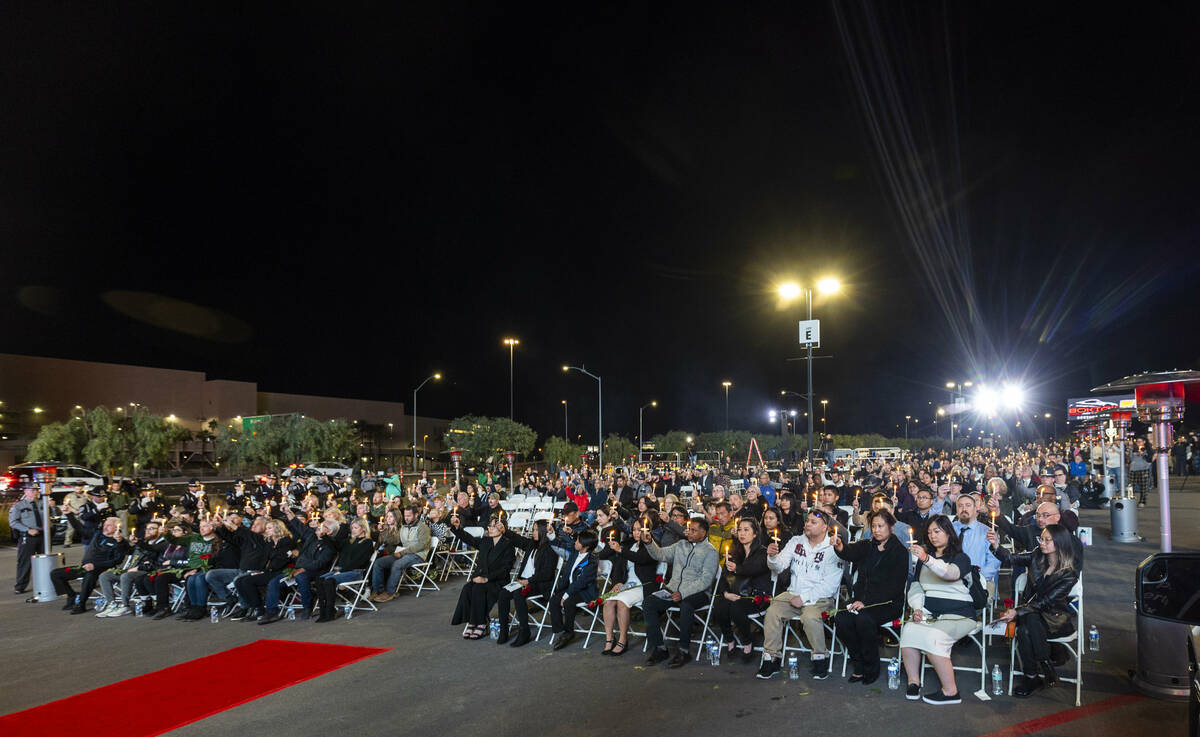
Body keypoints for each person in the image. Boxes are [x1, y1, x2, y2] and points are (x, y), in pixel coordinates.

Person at [987, 524, 1080, 697]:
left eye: (1047, 540)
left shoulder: (1069, 574)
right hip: (1030, 613)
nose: (1042, 543)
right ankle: (1046, 666)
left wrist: (1016, 611)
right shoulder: (1038, 555)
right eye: (1041, 539)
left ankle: (1032, 676)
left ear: (1059, 543)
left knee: (1025, 628)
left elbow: (1046, 602)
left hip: (1053, 618)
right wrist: (996, 546)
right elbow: (1011, 559)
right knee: (1029, 621)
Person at [898, 515, 977, 705]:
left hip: (960, 614)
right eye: (930, 532)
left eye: (937, 531)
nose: (932, 536)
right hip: (931, 612)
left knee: (933, 637)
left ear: (949, 533)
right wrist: (917, 608)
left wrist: (926, 559)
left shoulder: (961, 558)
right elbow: (916, 586)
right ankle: (913, 682)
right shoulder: (925, 560)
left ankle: (951, 692)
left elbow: (950, 574)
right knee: (908, 632)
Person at [756, 509, 844, 680]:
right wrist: (772, 557)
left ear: (825, 527)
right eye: (807, 521)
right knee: (772, 612)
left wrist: (803, 598)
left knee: (810, 616)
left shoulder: (833, 547)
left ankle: (820, 657)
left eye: (813, 522)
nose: (807, 524)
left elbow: (830, 586)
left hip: (820, 598)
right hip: (793, 593)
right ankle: (771, 658)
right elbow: (779, 566)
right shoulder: (796, 541)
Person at [831, 509, 907, 684]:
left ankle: (871, 667)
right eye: (874, 526)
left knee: (863, 620)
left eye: (881, 526)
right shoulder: (868, 545)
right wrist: (840, 546)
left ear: (891, 527)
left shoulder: (900, 552)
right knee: (841, 618)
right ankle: (858, 663)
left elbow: (895, 587)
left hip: (887, 602)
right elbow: (849, 551)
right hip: (861, 600)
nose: (877, 530)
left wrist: (866, 602)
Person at [643, 517, 719, 668]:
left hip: (699, 593)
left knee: (686, 605)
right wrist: (649, 542)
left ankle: (684, 650)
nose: (689, 532)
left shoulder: (710, 551)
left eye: (693, 530)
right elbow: (661, 555)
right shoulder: (681, 545)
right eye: (689, 529)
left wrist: (683, 593)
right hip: (674, 589)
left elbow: (705, 581)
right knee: (648, 603)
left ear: (703, 533)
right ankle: (660, 648)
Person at [258, 509, 337, 623]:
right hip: (297, 568)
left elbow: (319, 563)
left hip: (315, 571)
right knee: (274, 581)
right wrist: (288, 512)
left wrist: (303, 568)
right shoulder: (311, 536)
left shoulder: (329, 545)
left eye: (323, 526)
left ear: (329, 532)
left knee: (301, 577)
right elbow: (299, 526)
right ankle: (271, 612)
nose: (319, 526)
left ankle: (307, 606)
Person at [713, 517, 772, 662]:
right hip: (734, 593)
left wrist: (737, 569)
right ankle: (729, 639)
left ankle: (747, 641)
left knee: (735, 608)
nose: (742, 533)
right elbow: (724, 576)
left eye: (746, 530)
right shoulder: (734, 551)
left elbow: (755, 569)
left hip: (755, 596)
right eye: (739, 530)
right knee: (720, 606)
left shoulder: (762, 552)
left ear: (755, 533)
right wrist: (726, 593)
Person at [600, 517, 662, 656]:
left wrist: (621, 550)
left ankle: (623, 640)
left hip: (642, 585)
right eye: (633, 530)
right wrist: (616, 582)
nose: (635, 533)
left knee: (622, 602)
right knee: (608, 601)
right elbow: (618, 567)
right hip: (627, 584)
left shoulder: (652, 545)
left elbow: (641, 559)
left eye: (639, 530)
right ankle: (609, 639)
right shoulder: (630, 545)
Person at [449, 514, 517, 639]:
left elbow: (505, 570)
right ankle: (472, 621)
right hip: (482, 577)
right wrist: (458, 528)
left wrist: (486, 579)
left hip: (498, 581)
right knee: (467, 588)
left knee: (478, 589)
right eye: (489, 526)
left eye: (494, 527)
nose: (490, 529)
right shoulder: (486, 541)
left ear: (502, 528)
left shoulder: (508, 545)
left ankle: (480, 623)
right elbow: (469, 539)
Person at [499, 520, 559, 647]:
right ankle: (504, 628)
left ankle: (524, 630)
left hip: (537, 583)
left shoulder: (550, 549)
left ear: (543, 531)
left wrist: (528, 580)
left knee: (518, 593)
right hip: (523, 581)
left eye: (536, 529)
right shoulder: (532, 544)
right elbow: (518, 540)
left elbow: (547, 574)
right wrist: (505, 531)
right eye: (533, 529)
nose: (533, 532)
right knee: (503, 593)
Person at [50, 517, 129, 614]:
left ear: (117, 527)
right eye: (105, 525)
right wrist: (69, 514)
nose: (105, 527)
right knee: (56, 574)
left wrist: (95, 566)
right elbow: (80, 528)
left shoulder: (120, 541)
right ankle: (71, 596)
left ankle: (81, 604)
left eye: (109, 525)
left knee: (90, 576)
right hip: (83, 567)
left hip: (102, 569)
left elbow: (117, 560)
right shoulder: (97, 534)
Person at [96, 519, 168, 617]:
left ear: (160, 530)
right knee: (105, 576)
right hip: (131, 569)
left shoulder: (162, 544)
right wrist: (120, 541)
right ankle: (112, 605)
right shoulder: (143, 541)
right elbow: (128, 551)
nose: (147, 531)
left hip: (147, 571)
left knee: (126, 576)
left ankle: (125, 606)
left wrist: (139, 568)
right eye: (147, 528)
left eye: (152, 529)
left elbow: (158, 563)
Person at [545, 528, 600, 651]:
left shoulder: (592, 561)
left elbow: (582, 582)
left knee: (569, 602)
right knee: (554, 600)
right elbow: (564, 544)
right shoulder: (575, 553)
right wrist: (552, 535)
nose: (575, 542)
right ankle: (560, 631)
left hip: (584, 591)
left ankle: (569, 631)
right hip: (570, 588)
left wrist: (566, 595)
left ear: (585, 546)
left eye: (578, 541)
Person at [232, 519, 296, 621]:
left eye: (270, 528)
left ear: (278, 529)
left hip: (282, 571)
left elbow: (281, 561)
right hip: (270, 571)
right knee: (240, 581)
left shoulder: (287, 541)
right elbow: (265, 560)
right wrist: (261, 570)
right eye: (266, 528)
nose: (267, 530)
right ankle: (256, 607)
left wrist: (266, 570)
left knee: (248, 581)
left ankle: (264, 610)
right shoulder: (270, 543)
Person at [314, 517, 375, 622]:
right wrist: (324, 536)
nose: (353, 530)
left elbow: (359, 562)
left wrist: (341, 571)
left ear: (363, 529)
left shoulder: (367, 543)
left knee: (329, 581)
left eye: (356, 528)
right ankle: (324, 611)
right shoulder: (349, 540)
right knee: (319, 580)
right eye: (352, 528)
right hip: (343, 570)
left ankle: (329, 611)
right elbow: (335, 547)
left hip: (356, 572)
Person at [371, 507, 431, 602]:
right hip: (404, 553)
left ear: (416, 515)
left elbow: (421, 545)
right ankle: (378, 591)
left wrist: (402, 552)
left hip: (418, 555)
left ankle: (390, 592)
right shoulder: (404, 527)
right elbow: (394, 540)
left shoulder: (423, 527)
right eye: (405, 516)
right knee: (379, 563)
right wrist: (383, 531)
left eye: (409, 516)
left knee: (397, 564)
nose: (406, 518)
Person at [951, 495, 1001, 596]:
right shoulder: (948, 529)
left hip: (976, 582)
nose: (964, 509)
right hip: (950, 580)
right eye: (960, 506)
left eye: (968, 505)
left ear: (975, 509)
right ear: (956, 509)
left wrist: (977, 578)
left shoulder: (987, 532)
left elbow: (994, 562)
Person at [9, 481, 43, 594]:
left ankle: (45, 583)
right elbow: (13, 522)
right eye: (32, 490)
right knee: (25, 563)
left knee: (44, 561)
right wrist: (27, 530)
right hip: (28, 537)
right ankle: (20, 586)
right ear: (25, 491)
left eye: (36, 490)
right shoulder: (19, 505)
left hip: (43, 537)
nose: (35, 492)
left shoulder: (43, 503)